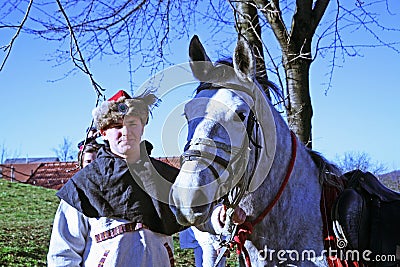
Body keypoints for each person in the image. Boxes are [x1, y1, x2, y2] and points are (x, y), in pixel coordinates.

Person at [47, 89, 245, 267]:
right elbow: (63, 254)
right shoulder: (84, 185)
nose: (126, 132)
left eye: (132, 123)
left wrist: (219, 216)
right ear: (104, 133)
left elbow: (197, 214)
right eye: (117, 125)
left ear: (142, 127)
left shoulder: (166, 177)